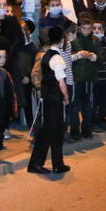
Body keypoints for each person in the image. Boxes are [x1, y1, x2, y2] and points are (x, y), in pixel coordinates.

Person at [27, 27, 69, 175]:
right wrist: (66, 96)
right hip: (54, 99)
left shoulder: (46, 54)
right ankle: (36, 164)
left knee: (56, 131)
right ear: (62, 40)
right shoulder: (56, 58)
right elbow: (61, 81)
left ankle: (58, 163)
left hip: (48, 98)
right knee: (48, 132)